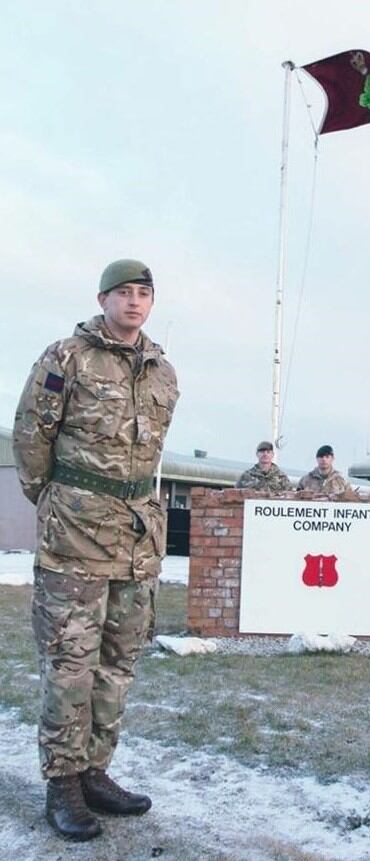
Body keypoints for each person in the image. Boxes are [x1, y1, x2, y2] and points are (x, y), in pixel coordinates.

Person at [13, 259, 179, 841]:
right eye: (124, 293)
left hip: (136, 537)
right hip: (76, 534)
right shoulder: (67, 358)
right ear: (103, 298)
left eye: (144, 293)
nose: (134, 302)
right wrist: (59, 501)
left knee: (117, 663)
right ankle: (62, 782)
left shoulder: (163, 373)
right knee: (70, 664)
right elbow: (32, 439)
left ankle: (95, 772)